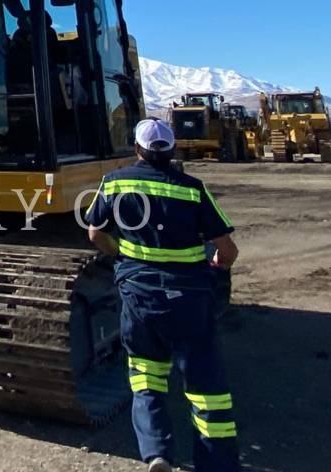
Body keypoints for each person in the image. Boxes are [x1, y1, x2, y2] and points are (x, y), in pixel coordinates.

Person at [85, 119, 240, 472]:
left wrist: (121, 254)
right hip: (189, 297)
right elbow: (227, 250)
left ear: (136, 148)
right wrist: (217, 263)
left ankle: (156, 453)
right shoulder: (192, 188)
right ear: (171, 151)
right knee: (205, 384)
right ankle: (216, 463)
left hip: (139, 295)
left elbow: (95, 233)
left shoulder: (114, 182)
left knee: (146, 376)